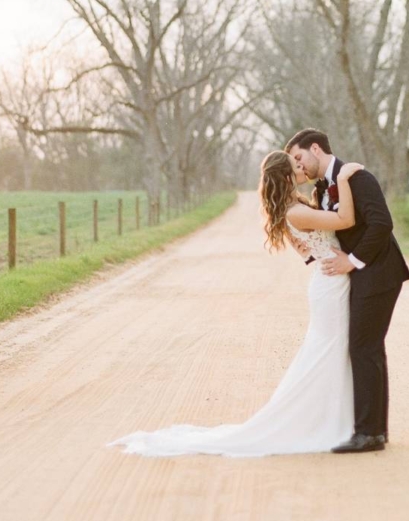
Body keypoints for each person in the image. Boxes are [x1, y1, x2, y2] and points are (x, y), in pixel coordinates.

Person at [108, 150, 364, 457]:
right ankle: (319, 422)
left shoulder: (294, 207)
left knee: (331, 351)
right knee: (328, 351)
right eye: (295, 165)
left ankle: (334, 419)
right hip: (330, 285)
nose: (301, 167)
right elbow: (345, 219)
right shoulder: (294, 212)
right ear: (285, 176)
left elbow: (309, 252)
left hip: (330, 280)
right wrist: (344, 178)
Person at [286, 128, 409, 454]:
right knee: (367, 347)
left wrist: (351, 261)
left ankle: (368, 433)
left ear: (315, 148)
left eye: (299, 158)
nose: (298, 166)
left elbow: (382, 224)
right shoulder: (322, 189)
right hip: (359, 275)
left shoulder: (356, 177)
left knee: (363, 347)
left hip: (379, 272)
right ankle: (375, 431)